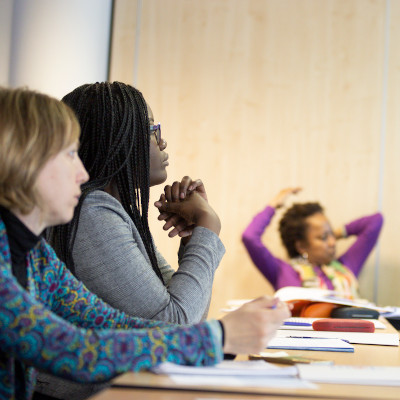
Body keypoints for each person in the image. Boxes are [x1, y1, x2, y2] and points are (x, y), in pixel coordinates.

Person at [0, 87, 290, 400]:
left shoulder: (36, 256)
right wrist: (219, 338)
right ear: (22, 159)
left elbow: (117, 324)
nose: (82, 173)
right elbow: (77, 350)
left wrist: (225, 338)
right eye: (70, 154)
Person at [47, 81, 223, 325]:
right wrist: (208, 225)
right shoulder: (93, 213)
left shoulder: (114, 210)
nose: (162, 142)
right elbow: (173, 326)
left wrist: (194, 239)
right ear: (115, 140)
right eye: (152, 130)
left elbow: (191, 317)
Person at [242, 188, 383, 298]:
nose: (333, 242)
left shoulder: (347, 265)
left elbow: (375, 221)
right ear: (301, 246)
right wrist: (274, 205)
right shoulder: (282, 272)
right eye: (323, 238)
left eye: (332, 235)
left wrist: (335, 234)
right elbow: (250, 237)